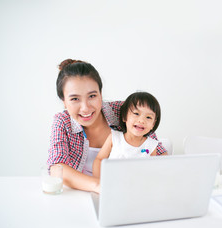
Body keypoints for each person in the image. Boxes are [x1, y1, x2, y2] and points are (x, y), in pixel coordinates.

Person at [47, 59, 167, 193]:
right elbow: (57, 168)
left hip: (131, 191)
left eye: (92, 96)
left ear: (101, 94)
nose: (85, 108)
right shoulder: (62, 122)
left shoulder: (127, 111)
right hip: (84, 194)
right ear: (64, 101)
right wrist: (100, 186)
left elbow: (161, 155)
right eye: (75, 99)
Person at [92, 91, 161, 178]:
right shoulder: (114, 138)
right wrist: (99, 182)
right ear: (124, 116)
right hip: (113, 183)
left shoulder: (151, 145)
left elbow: (152, 170)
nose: (142, 120)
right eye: (136, 114)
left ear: (153, 124)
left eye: (148, 117)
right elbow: (99, 160)